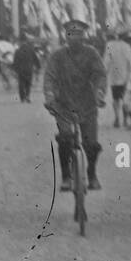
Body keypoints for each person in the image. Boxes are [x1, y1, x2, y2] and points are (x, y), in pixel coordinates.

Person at [43, 20, 106, 190]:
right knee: (64, 139)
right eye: (71, 35)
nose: (75, 39)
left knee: (91, 144)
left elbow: (100, 74)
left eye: (78, 35)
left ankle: (92, 175)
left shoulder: (92, 54)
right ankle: (65, 177)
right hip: (63, 105)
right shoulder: (57, 56)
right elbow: (49, 76)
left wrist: (100, 92)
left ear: (84, 37)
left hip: (87, 104)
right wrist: (49, 95)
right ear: (66, 37)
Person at [103, 31, 131, 129]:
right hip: (125, 76)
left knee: (115, 98)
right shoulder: (127, 46)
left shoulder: (110, 45)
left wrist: (105, 73)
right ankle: (125, 120)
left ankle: (117, 118)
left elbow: (106, 61)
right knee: (124, 98)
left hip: (113, 76)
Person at [12, 39, 38, 103]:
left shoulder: (17, 51)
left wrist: (14, 69)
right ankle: (27, 96)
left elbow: (15, 61)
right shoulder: (31, 51)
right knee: (28, 84)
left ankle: (22, 98)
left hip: (21, 70)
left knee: (21, 84)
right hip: (29, 70)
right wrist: (38, 67)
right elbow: (36, 59)